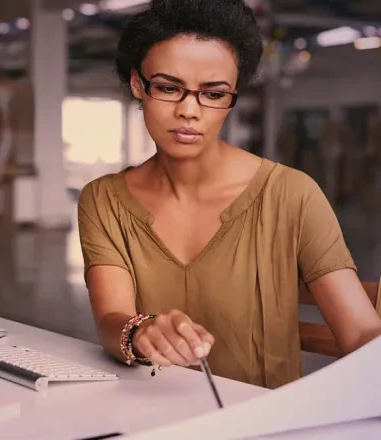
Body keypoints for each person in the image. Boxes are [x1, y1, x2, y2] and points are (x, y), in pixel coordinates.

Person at [77, 0, 381, 389]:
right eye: (169, 88)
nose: (190, 111)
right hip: (147, 417)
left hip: (262, 423)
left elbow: (358, 333)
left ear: (233, 95)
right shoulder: (104, 201)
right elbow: (111, 318)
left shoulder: (291, 194)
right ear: (138, 84)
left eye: (214, 94)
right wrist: (140, 332)